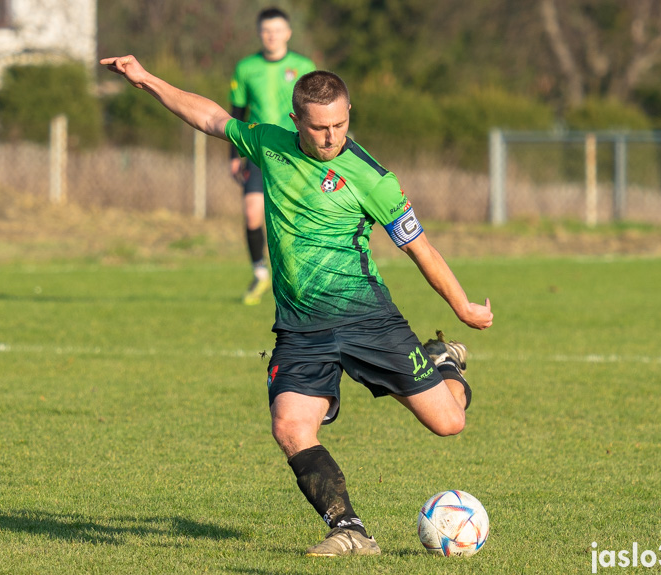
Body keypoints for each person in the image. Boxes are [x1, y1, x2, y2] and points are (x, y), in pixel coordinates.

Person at [100, 54, 494, 557]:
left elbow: (420, 248)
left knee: (449, 423)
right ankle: (350, 529)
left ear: (350, 114)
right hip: (301, 328)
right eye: (320, 127)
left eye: (340, 124)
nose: (332, 137)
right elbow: (209, 117)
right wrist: (146, 79)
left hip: (367, 318)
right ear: (295, 122)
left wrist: (461, 305)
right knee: (289, 426)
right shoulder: (271, 145)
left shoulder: (372, 177)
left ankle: (443, 361)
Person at [229, 8, 315, 305]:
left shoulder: (303, 65)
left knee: (296, 215)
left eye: (277, 30)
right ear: (259, 33)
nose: (271, 35)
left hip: (295, 150)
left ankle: (302, 276)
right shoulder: (245, 68)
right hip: (257, 149)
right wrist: (234, 154)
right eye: (266, 30)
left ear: (288, 33)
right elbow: (237, 113)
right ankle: (259, 274)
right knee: (253, 212)